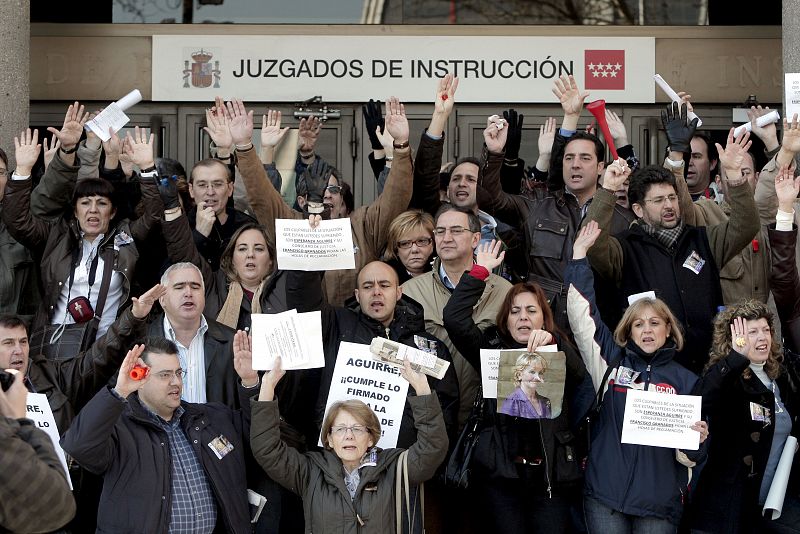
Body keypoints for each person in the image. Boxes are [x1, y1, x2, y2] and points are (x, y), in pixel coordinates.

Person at [565, 221, 708, 533]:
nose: (647, 330)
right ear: (628, 330)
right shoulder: (610, 363)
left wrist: (697, 441)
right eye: (639, 324)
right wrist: (578, 257)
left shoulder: (686, 381)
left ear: (668, 329)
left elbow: (691, 459)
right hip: (605, 495)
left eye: (655, 323)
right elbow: (582, 316)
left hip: (657, 504)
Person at [442, 239, 588, 533]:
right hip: (501, 478)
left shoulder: (558, 348)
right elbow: (454, 320)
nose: (523, 317)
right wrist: (479, 271)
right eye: (515, 311)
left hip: (550, 479)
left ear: (544, 318)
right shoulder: (490, 350)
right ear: (505, 320)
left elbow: (579, 375)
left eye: (532, 311)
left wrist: (553, 342)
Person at [583, 151, 759, 374]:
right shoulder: (624, 248)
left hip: (709, 369)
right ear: (638, 210)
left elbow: (747, 226)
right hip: (651, 375)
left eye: (672, 198)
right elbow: (592, 242)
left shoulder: (703, 239)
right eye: (658, 200)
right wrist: (607, 190)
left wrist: (735, 177)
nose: (669, 206)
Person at [61, 337, 259, 534]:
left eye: (178, 373)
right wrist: (119, 391)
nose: (176, 382)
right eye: (165, 375)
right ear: (139, 380)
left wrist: (250, 381)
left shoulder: (210, 418)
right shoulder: (118, 429)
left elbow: (258, 436)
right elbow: (78, 446)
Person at [230, 97, 413, 306]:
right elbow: (261, 197)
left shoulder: (362, 227)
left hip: (353, 329)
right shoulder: (291, 224)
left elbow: (396, 198)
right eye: (317, 192)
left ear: (342, 198)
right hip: (303, 329)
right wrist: (244, 146)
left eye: (333, 189)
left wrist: (400, 147)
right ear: (301, 200)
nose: (326, 195)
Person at [3, 119, 161, 360]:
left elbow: (154, 216)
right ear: (75, 211)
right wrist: (22, 172)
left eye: (102, 203)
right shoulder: (55, 237)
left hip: (107, 352)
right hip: (54, 349)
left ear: (113, 211)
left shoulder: (126, 237)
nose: (93, 210)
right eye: (85, 203)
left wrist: (147, 168)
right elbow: (17, 221)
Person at [250, 356, 448, 534]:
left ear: (371, 438)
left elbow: (431, 449)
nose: (349, 435)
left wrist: (422, 390)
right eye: (340, 429)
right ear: (329, 439)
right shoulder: (310, 472)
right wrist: (267, 386)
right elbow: (268, 450)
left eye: (358, 428)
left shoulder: (393, 468)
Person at [690, 301, 800, 533]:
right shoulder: (727, 377)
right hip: (726, 509)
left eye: (766, 330)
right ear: (733, 339)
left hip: (772, 503)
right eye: (752, 332)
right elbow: (698, 402)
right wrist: (735, 359)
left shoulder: (780, 376)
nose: (762, 337)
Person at [402, 205, 512, 427]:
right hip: (431, 418)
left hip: (485, 420)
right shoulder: (409, 292)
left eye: (456, 230)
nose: (447, 238)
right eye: (440, 231)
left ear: (475, 240)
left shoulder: (505, 292)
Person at [148, 262, 241, 408]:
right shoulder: (141, 343)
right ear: (162, 300)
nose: (188, 293)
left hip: (217, 429)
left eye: (195, 287)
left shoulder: (232, 341)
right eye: (179, 287)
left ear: (204, 296)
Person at [0, 369, 76, 533]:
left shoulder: (49, 374)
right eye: (7, 342)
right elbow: (57, 505)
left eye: (24, 342)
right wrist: (19, 421)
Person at [384, 209, 435, 283]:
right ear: (396, 249)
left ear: (433, 243)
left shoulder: (445, 272)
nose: (414, 250)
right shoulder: (384, 276)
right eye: (405, 243)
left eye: (421, 241)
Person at [500, 353, 552, 419]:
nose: (537, 377)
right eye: (532, 372)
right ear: (519, 375)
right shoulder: (512, 402)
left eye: (540, 373)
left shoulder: (545, 401)